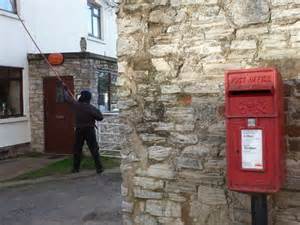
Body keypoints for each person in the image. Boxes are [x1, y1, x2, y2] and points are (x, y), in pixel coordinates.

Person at [63, 84, 104, 174]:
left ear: (82, 97)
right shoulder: (91, 108)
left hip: (79, 130)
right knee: (94, 149)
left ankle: (75, 168)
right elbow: (100, 117)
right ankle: (99, 168)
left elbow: (66, 99)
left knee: (77, 149)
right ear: (89, 98)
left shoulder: (76, 105)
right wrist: (93, 114)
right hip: (90, 130)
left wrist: (65, 89)